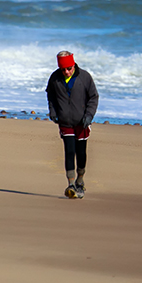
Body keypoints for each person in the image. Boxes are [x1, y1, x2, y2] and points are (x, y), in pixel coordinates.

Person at [46, 51, 99, 199]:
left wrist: (89, 115)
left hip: (82, 122)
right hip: (65, 122)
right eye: (63, 69)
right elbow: (50, 95)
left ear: (73, 65)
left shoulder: (85, 77)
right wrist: (53, 111)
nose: (66, 72)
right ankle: (70, 185)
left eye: (69, 68)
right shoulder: (55, 78)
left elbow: (93, 97)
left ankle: (80, 180)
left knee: (81, 153)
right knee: (69, 152)